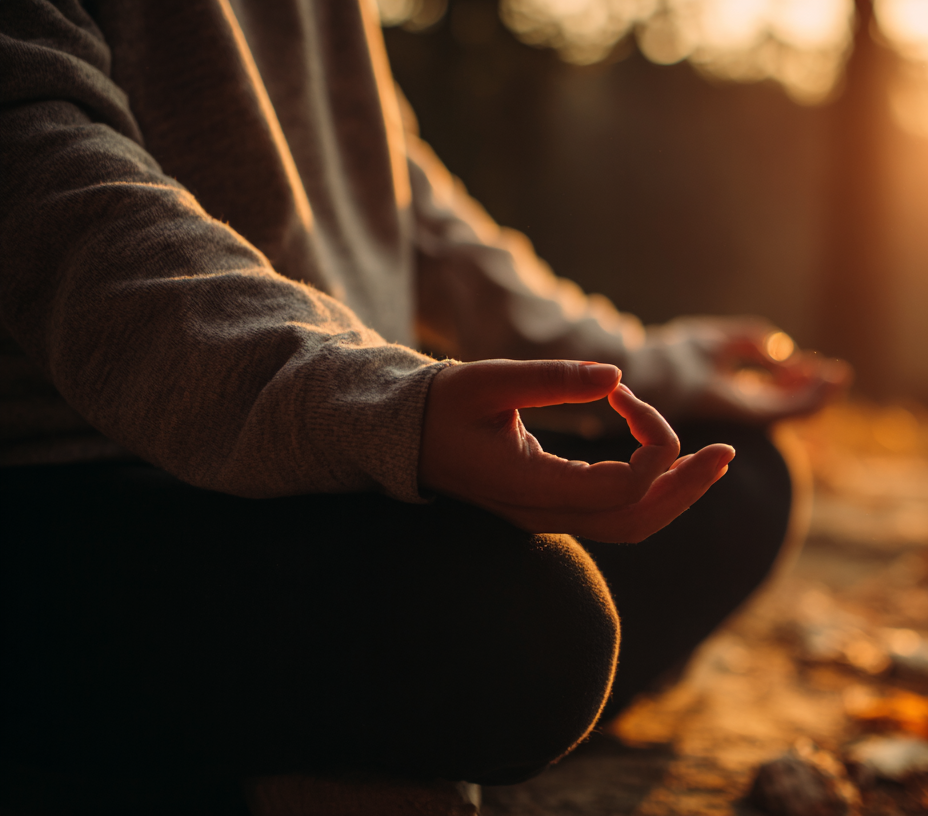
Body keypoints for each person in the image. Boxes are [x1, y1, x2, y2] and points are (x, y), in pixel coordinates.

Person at [0, 1, 848, 812]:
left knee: (743, 478)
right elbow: (42, 174)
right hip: (88, 472)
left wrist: (641, 365)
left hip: (335, 432)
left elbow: (394, 184)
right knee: (529, 622)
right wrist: (373, 404)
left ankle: (318, 743)